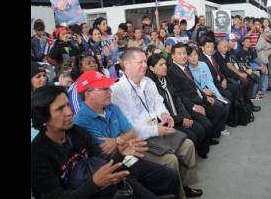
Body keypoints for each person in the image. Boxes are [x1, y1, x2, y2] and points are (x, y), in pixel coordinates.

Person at [31, 85, 180, 199]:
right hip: (92, 190)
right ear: (43, 117)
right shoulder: (38, 154)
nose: (69, 112)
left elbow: (104, 160)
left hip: (107, 180)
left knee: (170, 176)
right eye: (60, 109)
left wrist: (121, 154)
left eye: (68, 105)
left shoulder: (77, 132)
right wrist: (94, 184)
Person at [110, 48, 204, 198]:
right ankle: (178, 195)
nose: (145, 65)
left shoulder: (148, 82)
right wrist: (155, 129)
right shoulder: (117, 91)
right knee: (170, 160)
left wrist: (164, 114)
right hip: (139, 139)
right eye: (140, 62)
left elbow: (158, 103)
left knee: (188, 145)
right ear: (126, 64)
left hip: (158, 128)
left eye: (145, 62)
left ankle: (184, 185)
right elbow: (128, 126)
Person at [146, 54, 209, 158]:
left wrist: (186, 117)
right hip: (168, 121)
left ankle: (197, 153)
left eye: (165, 64)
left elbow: (177, 99)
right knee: (191, 136)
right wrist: (181, 120)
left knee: (200, 129)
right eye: (160, 65)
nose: (165, 67)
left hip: (179, 116)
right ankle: (187, 159)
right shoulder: (150, 85)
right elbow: (161, 110)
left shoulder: (166, 78)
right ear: (152, 68)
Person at [168, 43, 227, 144]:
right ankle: (204, 146)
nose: (183, 56)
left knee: (220, 108)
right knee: (206, 124)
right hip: (189, 105)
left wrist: (205, 97)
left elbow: (195, 86)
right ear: (173, 56)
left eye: (184, 53)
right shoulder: (172, 71)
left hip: (198, 98)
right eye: (179, 54)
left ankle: (212, 135)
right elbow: (179, 96)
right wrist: (194, 107)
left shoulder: (184, 68)